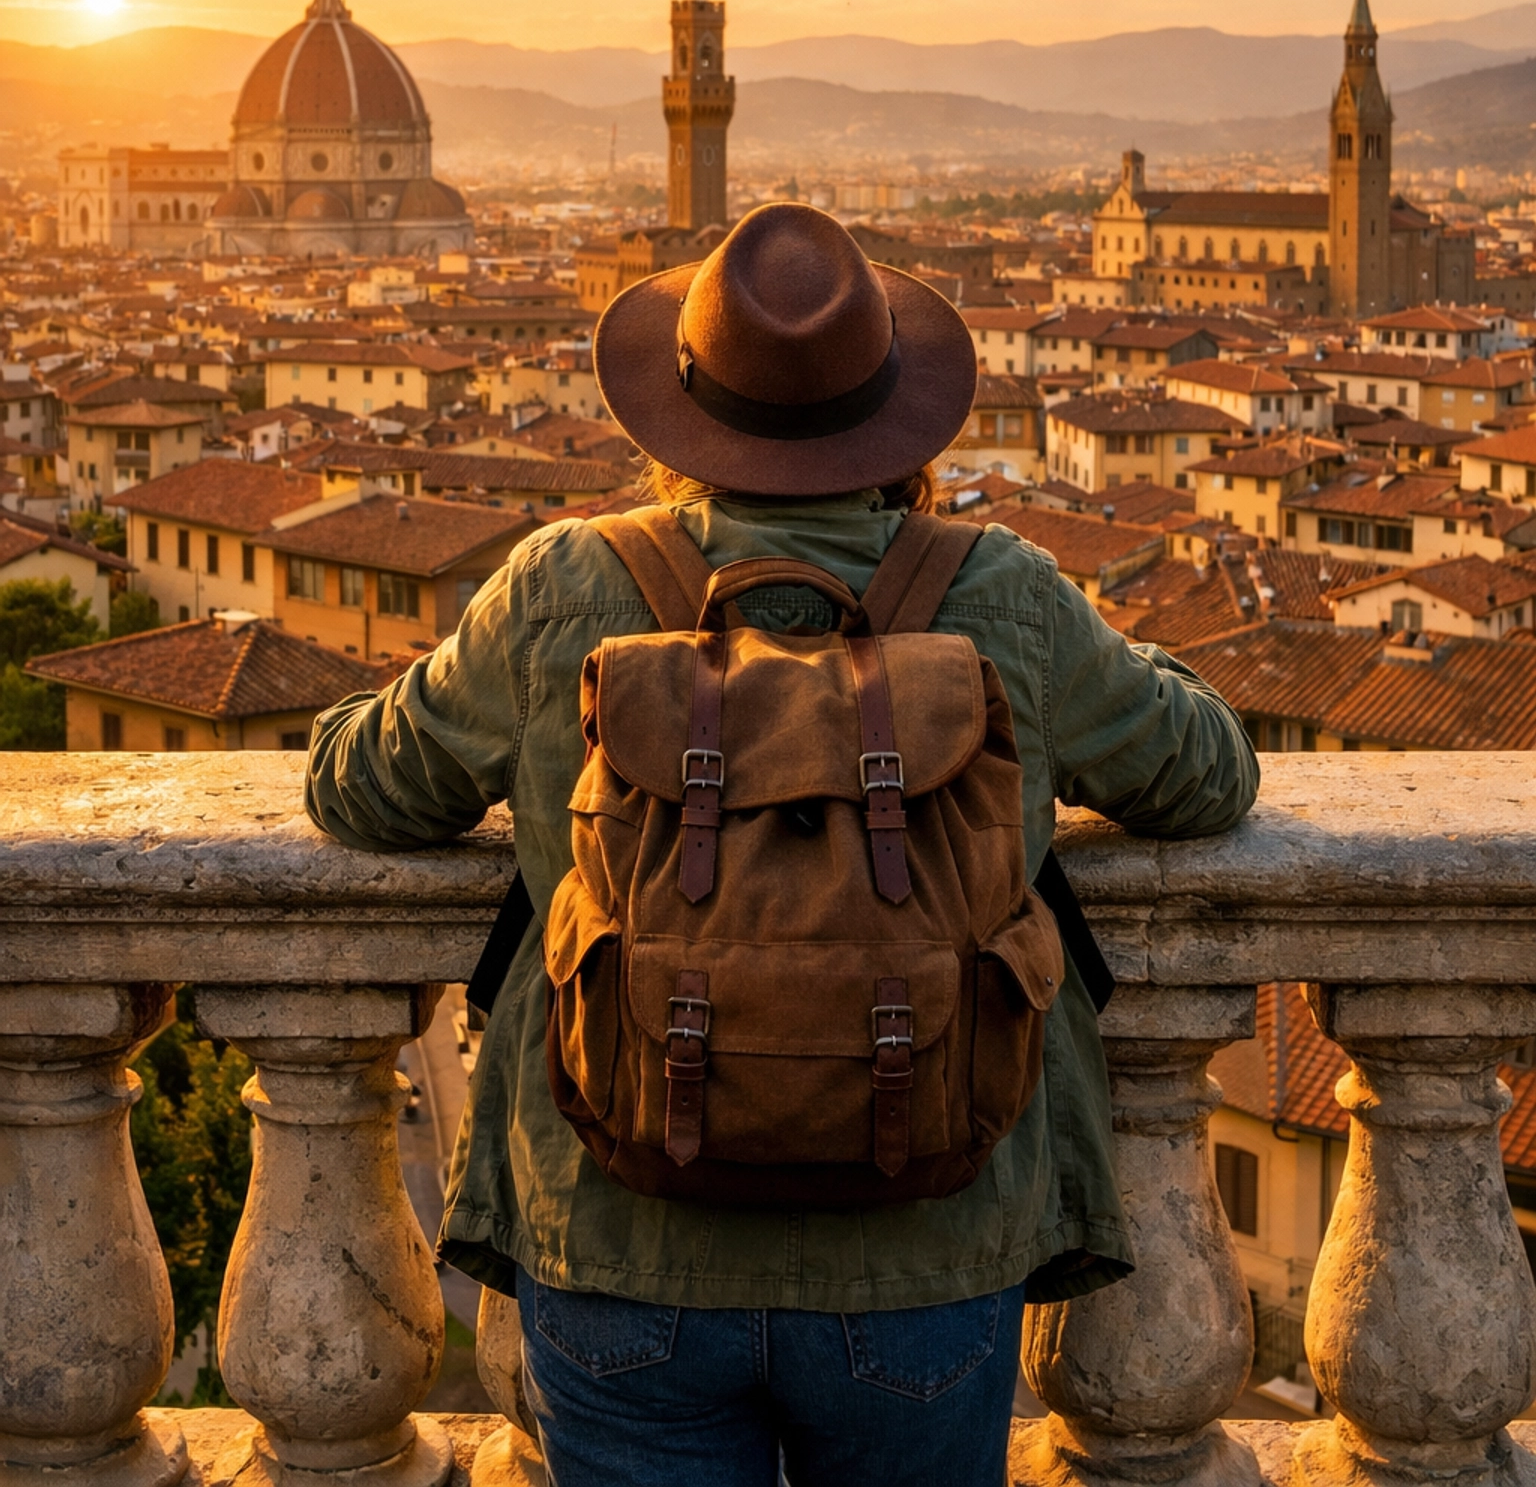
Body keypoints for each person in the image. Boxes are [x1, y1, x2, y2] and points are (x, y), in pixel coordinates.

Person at [306, 204, 1258, 1487]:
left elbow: (364, 790)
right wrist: (1123, 664)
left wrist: (362, 703)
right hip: (925, 1245)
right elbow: (1207, 775)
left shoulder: (560, 588)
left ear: (683, 415)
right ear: (894, 414)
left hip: (618, 1236)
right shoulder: (1005, 595)